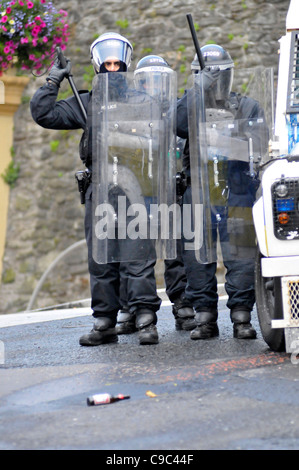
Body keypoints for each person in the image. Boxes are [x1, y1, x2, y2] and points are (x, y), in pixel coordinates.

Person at [30, 32, 162, 346]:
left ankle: (145, 319)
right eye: (108, 63)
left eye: (118, 63)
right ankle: (104, 322)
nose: (113, 68)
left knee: (138, 256)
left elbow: (159, 140)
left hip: (135, 191)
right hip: (100, 189)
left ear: (125, 63)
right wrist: (52, 81)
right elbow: (44, 113)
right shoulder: (86, 101)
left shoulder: (143, 102)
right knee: (100, 259)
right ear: (98, 65)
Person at [177, 44, 269, 340]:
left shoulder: (247, 107)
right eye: (208, 77)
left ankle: (242, 315)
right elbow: (176, 124)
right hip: (198, 190)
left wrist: (220, 141)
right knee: (197, 258)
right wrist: (197, 88)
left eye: (217, 77)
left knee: (240, 255)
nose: (214, 83)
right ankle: (205, 317)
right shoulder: (189, 107)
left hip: (237, 189)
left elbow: (258, 145)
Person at [115, 55, 196, 335]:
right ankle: (133, 307)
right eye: (148, 81)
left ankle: (183, 303)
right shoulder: (130, 112)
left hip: (172, 191)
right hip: (138, 192)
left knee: (177, 253)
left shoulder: (178, 111)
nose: (154, 87)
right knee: (135, 252)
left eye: (159, 81)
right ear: (140, 83)